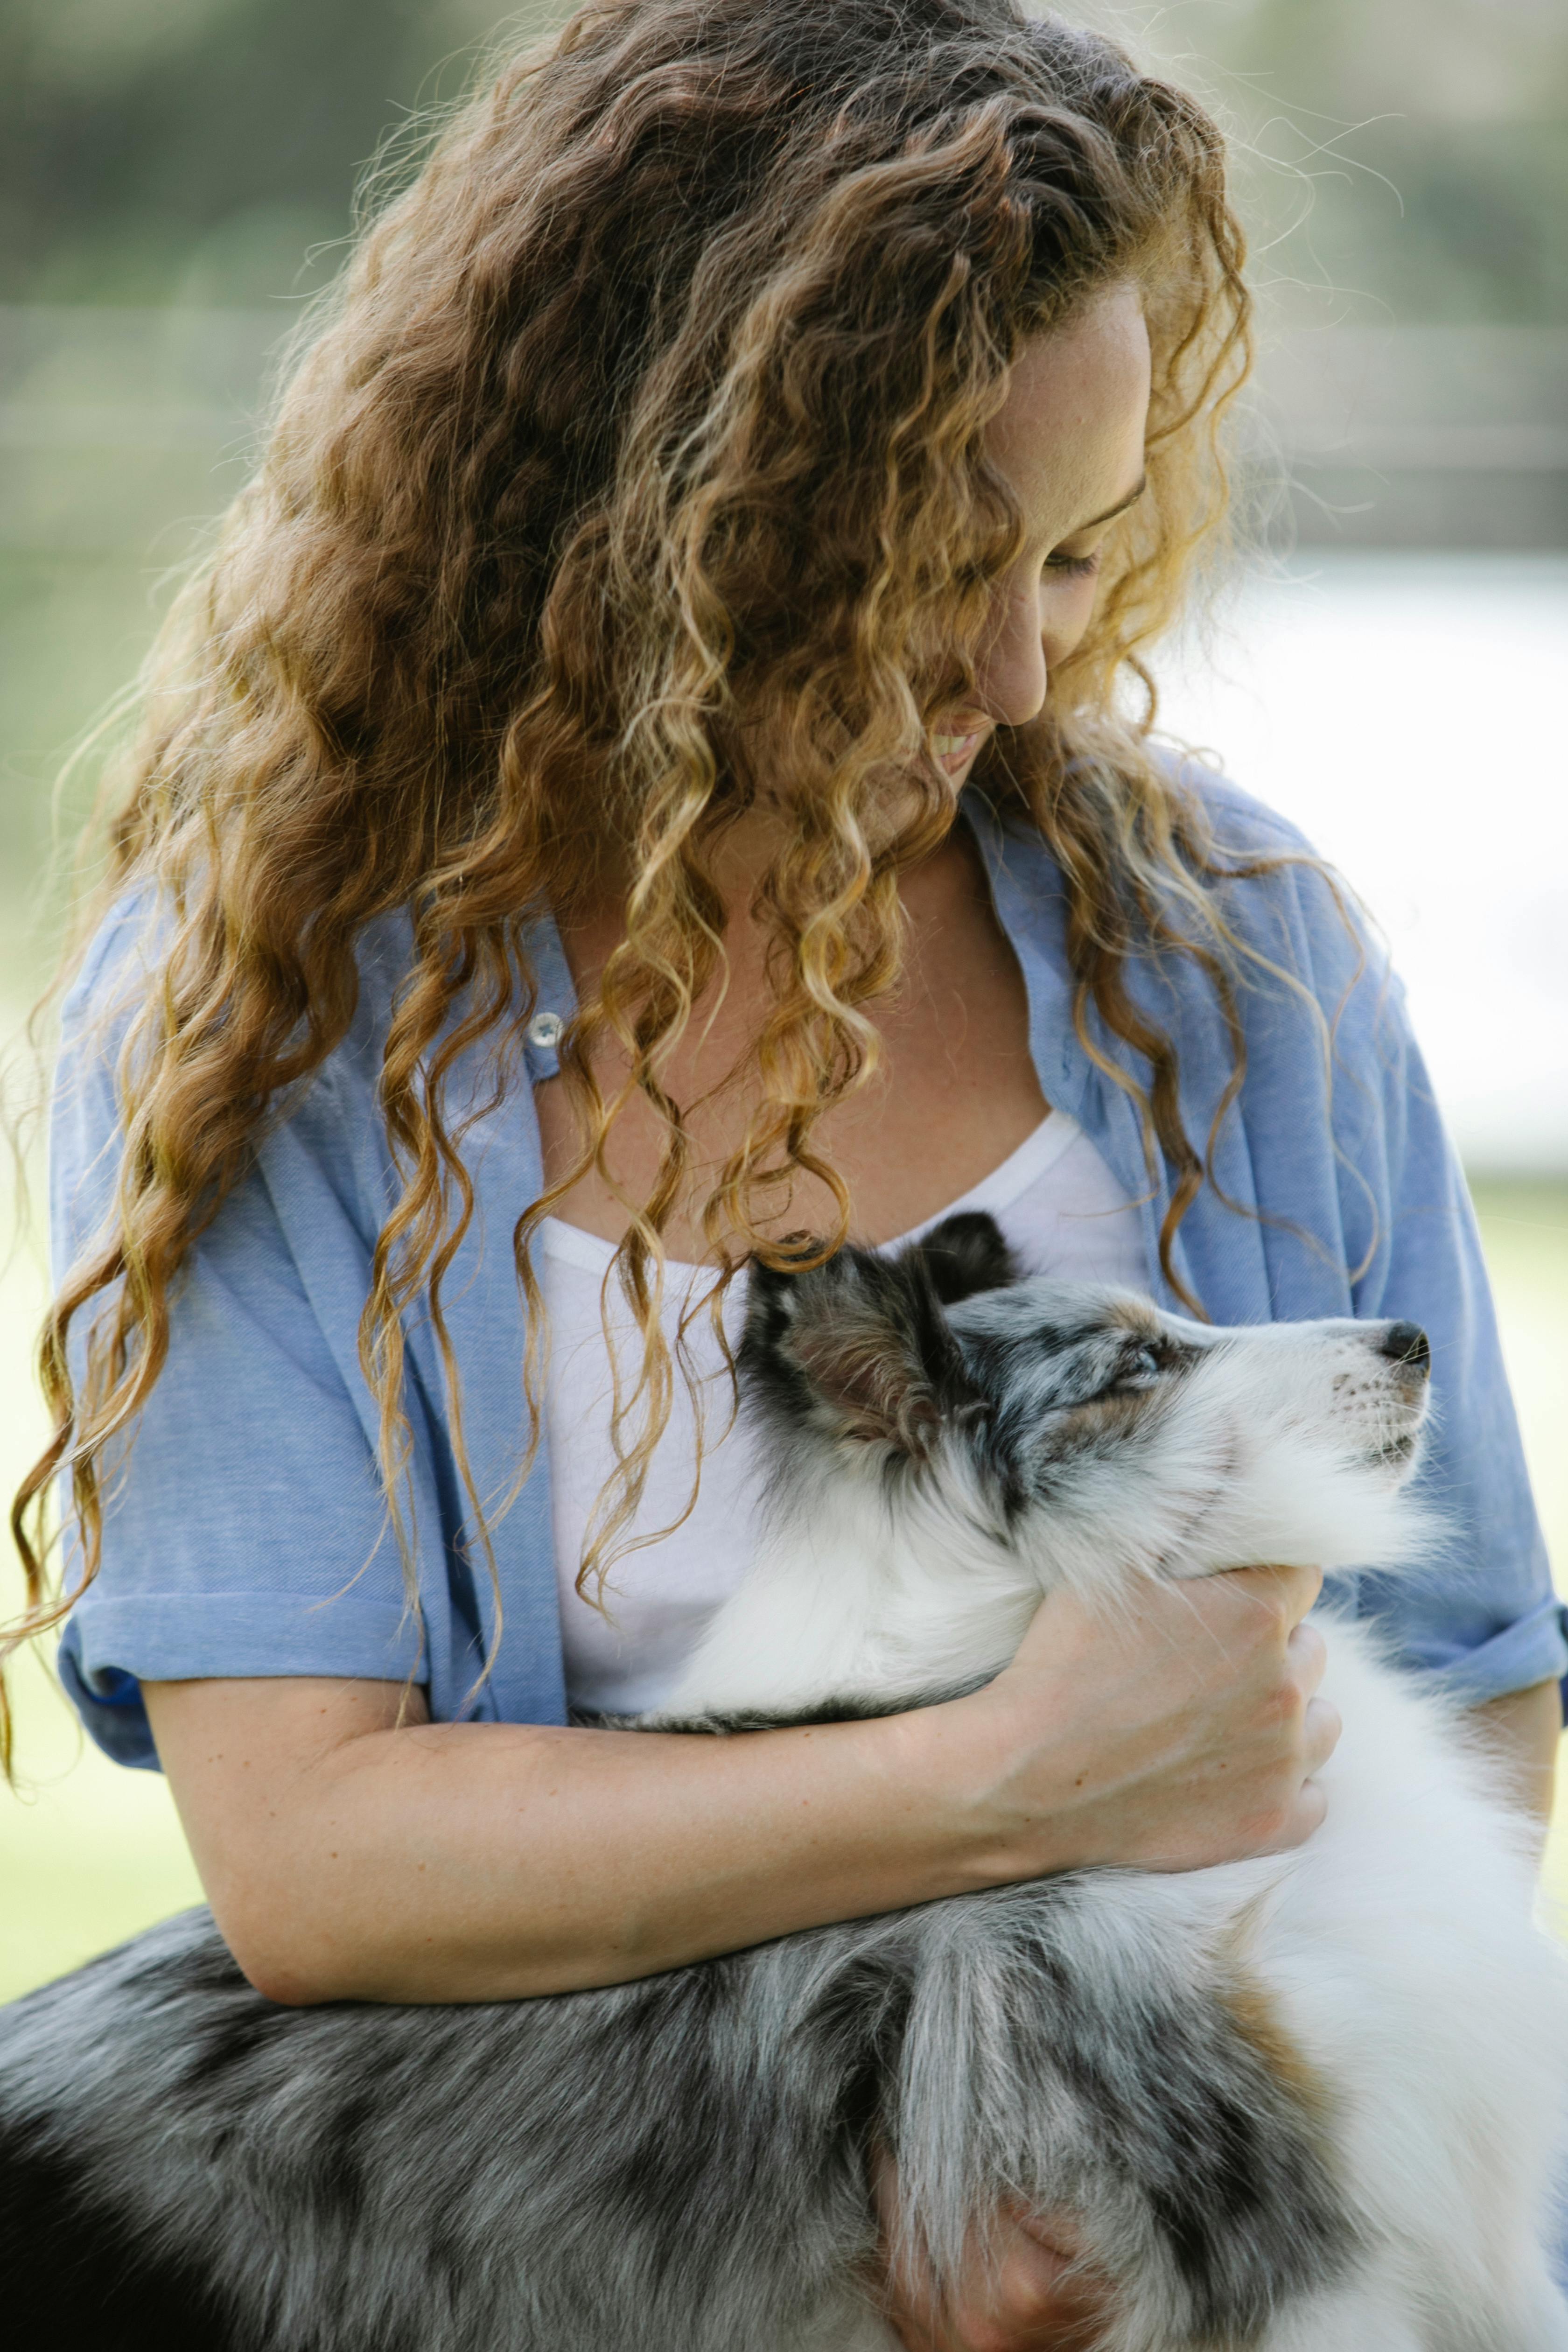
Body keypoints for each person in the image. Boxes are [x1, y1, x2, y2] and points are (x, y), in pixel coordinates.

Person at [8, 4, 1562, 2345]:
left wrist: (1147, 2179)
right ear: (651, 517)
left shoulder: (1230, 963)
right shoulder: (271, 1020)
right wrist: (1019, 1783)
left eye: (1075, 558)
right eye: (941, 559)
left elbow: (1461, 1706)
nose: (1023, 674)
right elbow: (324, 1868)